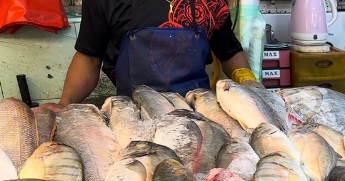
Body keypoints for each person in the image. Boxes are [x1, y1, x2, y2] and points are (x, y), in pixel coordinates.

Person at [58, 0, 256, 106]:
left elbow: (230, 53)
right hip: (133, 115)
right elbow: (89, 58)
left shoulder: (211, 3)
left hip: (197, 112)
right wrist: (65, 104)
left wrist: (251, 85)